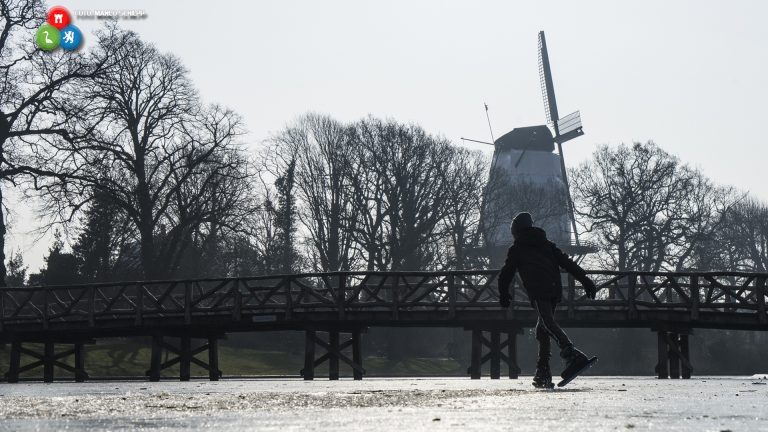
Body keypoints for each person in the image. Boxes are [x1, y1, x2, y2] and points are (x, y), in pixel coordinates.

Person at [497, 212, 598, 388]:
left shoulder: (518, 248)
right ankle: (543, 372)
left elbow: (506, 274)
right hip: (553, 290)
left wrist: (504, 294)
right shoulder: (546, 245)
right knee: (541, 330)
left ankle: (572, 355)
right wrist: (586, 280)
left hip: (538, 290)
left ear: (516, 231)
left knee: (547, 322)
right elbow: (567, 263)